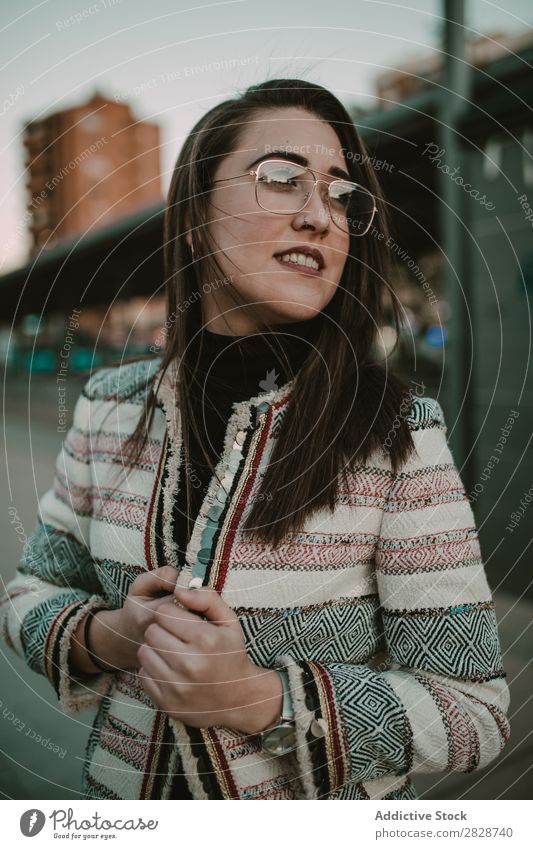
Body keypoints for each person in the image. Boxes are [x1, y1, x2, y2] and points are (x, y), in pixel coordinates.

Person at [1, 78, 510, 801]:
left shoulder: (397, 433)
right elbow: (30, 591)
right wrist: (108, 635)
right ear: (194, 219)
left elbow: (474, 711)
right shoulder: (107, 407)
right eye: (280, 179)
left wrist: (258, 698)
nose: (319, 215)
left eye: (341, 196)